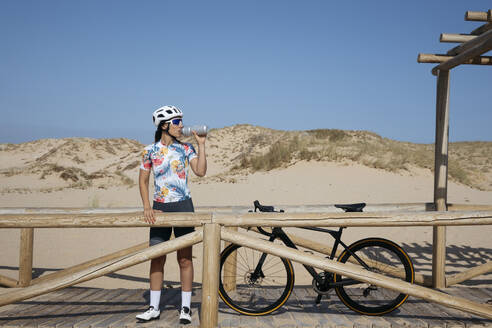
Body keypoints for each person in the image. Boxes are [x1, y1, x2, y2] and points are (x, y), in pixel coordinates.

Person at [136, 105, 207, 324]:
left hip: (184, 206)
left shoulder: (186, 149)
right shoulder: (150, 150)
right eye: (177, 122)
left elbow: (201, 171)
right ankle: (153, 308)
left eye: (181, 121)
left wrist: (201, 146)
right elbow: (143, 180)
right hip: (160, 208)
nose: (181, 126)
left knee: (185, 259)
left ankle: (185, 309)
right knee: (157, 258)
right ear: (164, 126)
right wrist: (147, 206)